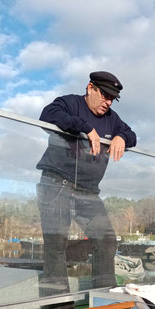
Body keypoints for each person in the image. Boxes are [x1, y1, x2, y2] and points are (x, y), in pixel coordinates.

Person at [36, 71, 136, 296]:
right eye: (104, 95)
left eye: (112, 99)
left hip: (89, 192)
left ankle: (103, 298)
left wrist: (122, 137)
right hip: (57, 184)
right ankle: (57, 305)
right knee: (56, 244)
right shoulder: (70, 103)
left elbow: (131, 134)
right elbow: (47, 115)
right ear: (90, 87)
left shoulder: (112, 118)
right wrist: (84, 128)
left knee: (106, 240)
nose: (107, 102)